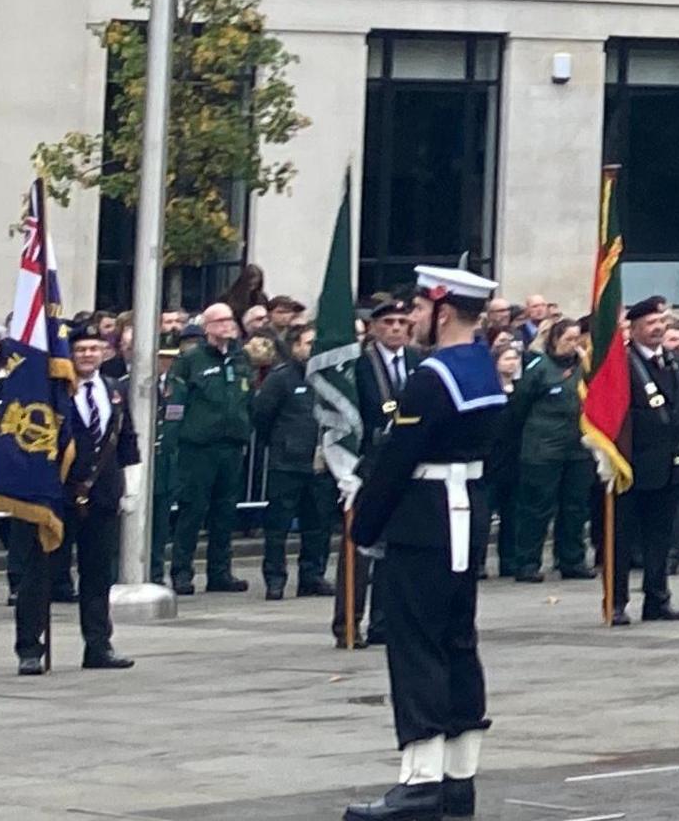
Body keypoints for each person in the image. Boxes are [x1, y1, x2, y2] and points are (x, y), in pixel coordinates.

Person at [343, 267, 507, 821]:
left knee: (416, 649)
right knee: (458, 643)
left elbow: (398, 458)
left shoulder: (433, 375)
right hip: (465, 512)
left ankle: (420, 781)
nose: (410, 318)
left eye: (416, 307)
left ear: (441, 309)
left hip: (425, 520)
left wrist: (364, 524)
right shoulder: (481, 365)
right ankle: (459, 778)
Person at [15, 326, 135, 676]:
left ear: (104, 353)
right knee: (39, 574)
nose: (86, 355)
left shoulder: (113, 390)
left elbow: (126, 438)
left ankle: (98, 645)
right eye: (80, 349)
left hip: (101, 495)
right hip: (57, 495)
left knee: (98, 574)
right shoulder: (51, 393)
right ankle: (30, 649)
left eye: (93, 349)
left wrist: (131, 487)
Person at [157, 300, 253, 596]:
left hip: (231, 444)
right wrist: (172, 441)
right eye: (221, 321)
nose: (228, 326)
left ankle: (220, 571)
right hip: (198, 446)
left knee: (225, 511)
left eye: (231, 321)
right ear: (208, 327)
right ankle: (182, 571)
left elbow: (247, 397)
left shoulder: (240, 359)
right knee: (192, 510)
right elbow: (176, 402)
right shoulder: (192, 360)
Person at [607, 298, 679, 625]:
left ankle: (657, 598)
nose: (658, 328)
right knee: (623, 538)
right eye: (650, 323)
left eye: (662, 322)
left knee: (660, 536)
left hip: (668, 462)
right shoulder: (623, 362)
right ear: (634, 328)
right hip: (632, 464)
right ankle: (616, 601)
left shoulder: (671, 360)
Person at [497, 318, 595, 583]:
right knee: (536, 508)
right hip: (543, 449)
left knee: (575, 507)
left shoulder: (585, 368)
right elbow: (520, 406)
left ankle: (572, 560)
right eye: (568, 340)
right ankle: (527, 562)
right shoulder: (539, 368)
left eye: (577, 340)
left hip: (578, 448)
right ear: (555, 340)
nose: (573, 345)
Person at [253, 309, 338, 599]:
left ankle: (312, 575)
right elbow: (262, 415)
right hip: (287, 463)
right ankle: (275, 578)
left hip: (321, 464)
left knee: (318, 526)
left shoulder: (330, 378)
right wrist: (280, 444)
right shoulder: (282, 378)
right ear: (295, 346)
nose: (313, 349)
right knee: (277, 527)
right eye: (308, 343)